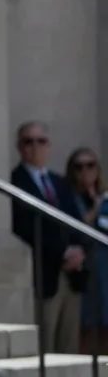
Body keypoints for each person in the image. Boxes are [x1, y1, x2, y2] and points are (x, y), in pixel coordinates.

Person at [9, 121, 86, 354]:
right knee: (46, 344)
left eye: (41, 141)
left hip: (71, 275)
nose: (35, 147)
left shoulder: (59, 182)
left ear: (49, 145)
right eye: (28, 141)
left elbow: (77, 222)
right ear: (19, 147)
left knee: (69, 343)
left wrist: (80, 251)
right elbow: (24, 228)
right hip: (44, 273)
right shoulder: (15, 182)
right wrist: (61, 253)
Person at [65, 147, 108, 354]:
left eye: (90, 165)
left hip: (105, 267)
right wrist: (94, 209)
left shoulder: (104, 197)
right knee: (85, 325)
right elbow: (75, 230)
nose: (85, 171)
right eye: (79, 166)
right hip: (84, 270)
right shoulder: (69, 198)